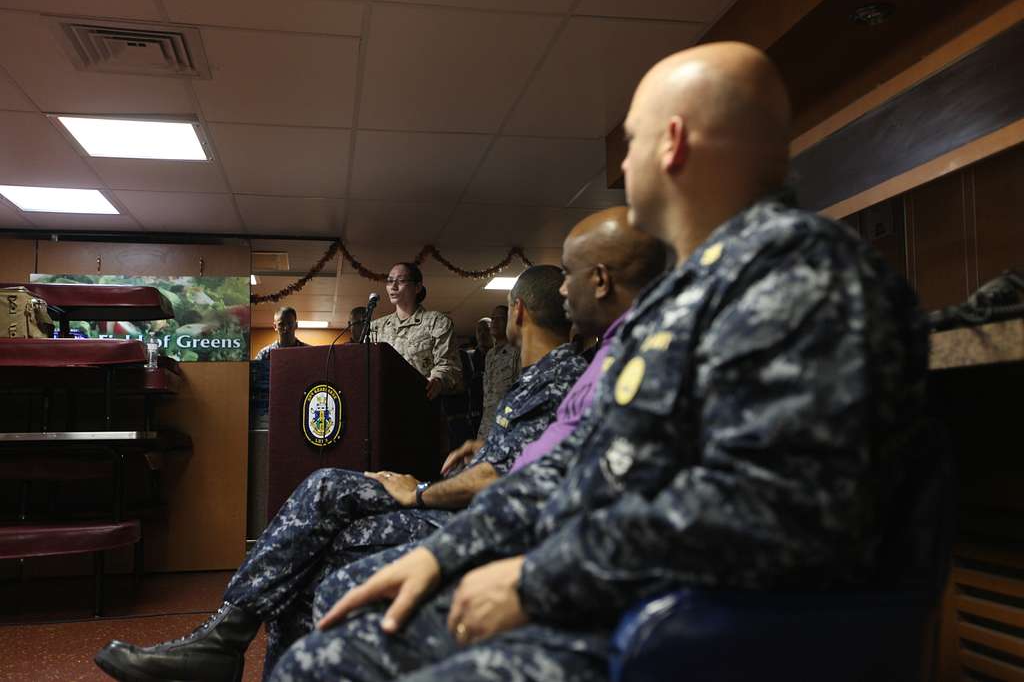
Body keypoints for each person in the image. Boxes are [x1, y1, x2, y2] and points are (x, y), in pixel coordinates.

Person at [268, 41, 929, 682]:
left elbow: (764, 508)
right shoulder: (677, 299)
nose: (623, 163)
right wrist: (446, 553)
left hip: (679, 626)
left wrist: (536, 580)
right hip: (600, 582)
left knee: (329, 665)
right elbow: (576, 457)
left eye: (633, 140)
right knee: (328, 643)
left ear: (672, 142)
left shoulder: (803, 278)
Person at [94, 265, 588, 682]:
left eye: (401, 280)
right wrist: (485, 448)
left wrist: (418, 492)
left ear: (517, 312)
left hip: (477, 519)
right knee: (313, 545)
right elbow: (523, 455)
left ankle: (224, 639)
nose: (393, 287)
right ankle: (228, 642)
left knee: (326, 492)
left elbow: (508, 477)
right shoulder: (539, 379)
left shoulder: (562, 376)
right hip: (466, 501)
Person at [370, 262, 463, 400]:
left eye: (401, 281)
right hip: (385, 404)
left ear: (417, 287)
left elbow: (449, 365)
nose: (393, 287)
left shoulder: (436, 322)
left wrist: (437, 380)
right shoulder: (376, 327)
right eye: (390, 281)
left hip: (421, 404)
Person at [476, 305, 520, 440]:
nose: (494, 322)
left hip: (506, 425)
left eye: (499, 318)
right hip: (486, 425)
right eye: (493, 318)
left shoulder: (517, 351)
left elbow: (519, 393)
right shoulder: (489, 355)